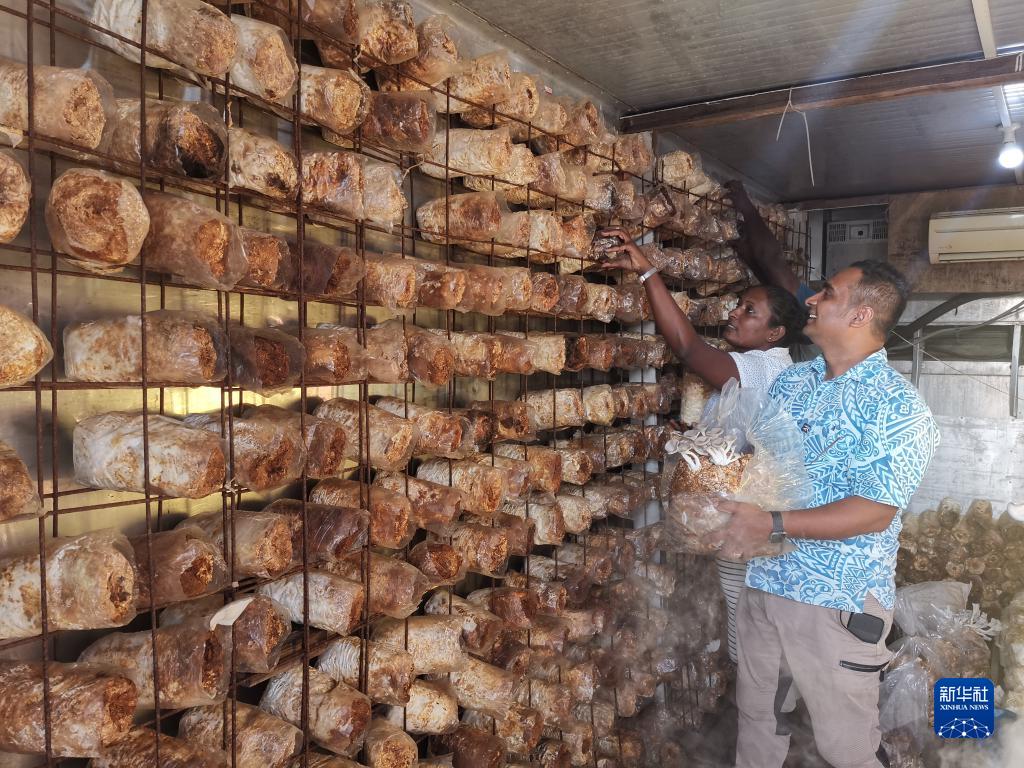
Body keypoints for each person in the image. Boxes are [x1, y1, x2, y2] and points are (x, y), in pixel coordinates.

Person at [715, 261, 940, 768]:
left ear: (861, 313)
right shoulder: (791, 384)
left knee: (847, 747)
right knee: (757, 727)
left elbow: (875, 510)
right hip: (767, 583)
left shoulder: (898, 408)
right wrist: (722, 489)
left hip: (834, 602)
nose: (811, 300)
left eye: (828, 294)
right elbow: (762, 469)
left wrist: (770, 523)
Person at [597, 226, 806, 665]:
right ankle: (762, 700)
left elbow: (689, 348)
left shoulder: (763, 369)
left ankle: (764, 709)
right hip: (749, 520)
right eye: (738, 303)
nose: (734, 312)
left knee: (747, 619)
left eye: (749, 310)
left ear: (774, 333)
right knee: (746, 615)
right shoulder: (772, 366)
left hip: (745, 521)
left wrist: (648, 272)